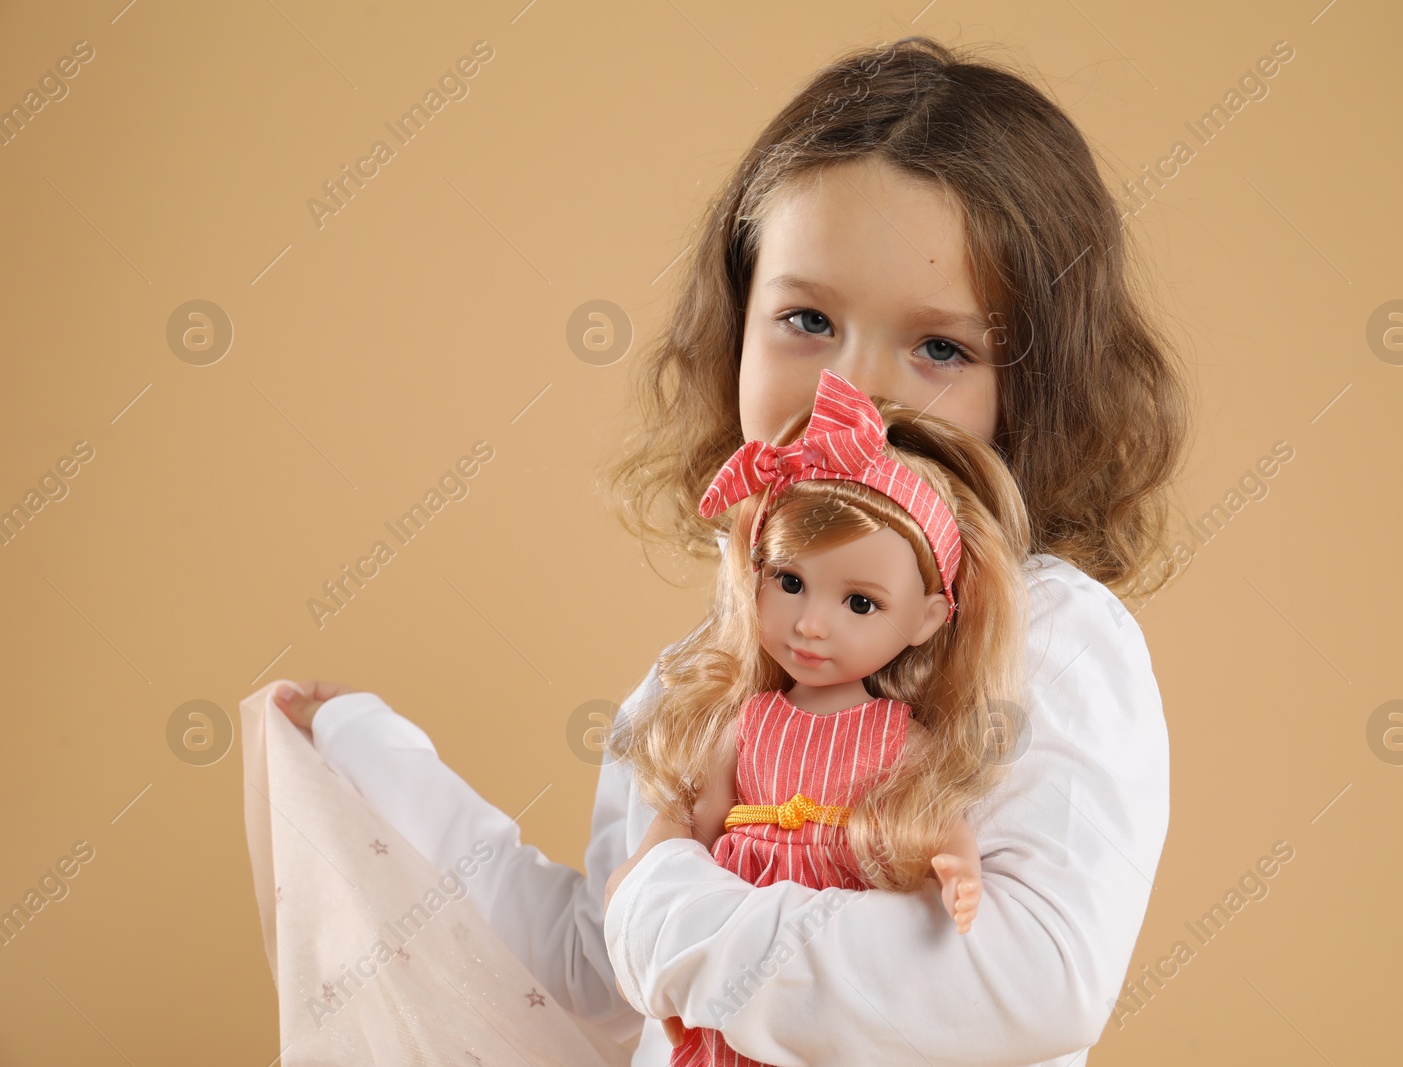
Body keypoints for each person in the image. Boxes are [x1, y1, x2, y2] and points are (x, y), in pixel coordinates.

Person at [275, 34, 1190, 1067]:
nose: (854, 391)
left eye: (939, 346)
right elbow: (598, 967)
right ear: (735, 332)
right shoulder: (702, 672)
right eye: (807, 317)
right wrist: (369, 761)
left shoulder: (1050, 635)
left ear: (1031, 385)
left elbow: (1036, 975)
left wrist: (675, 910)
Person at [609, 368, 1033, 1065]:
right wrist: (644, 876)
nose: (810, 623)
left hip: (828, 953)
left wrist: (957, 864)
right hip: (734, 930)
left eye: (859, 603)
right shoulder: (747, 721)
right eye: (790, 581)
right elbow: (693, 824)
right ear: (757, 573)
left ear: (929, 620)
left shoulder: (901, 736)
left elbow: (935, 818)